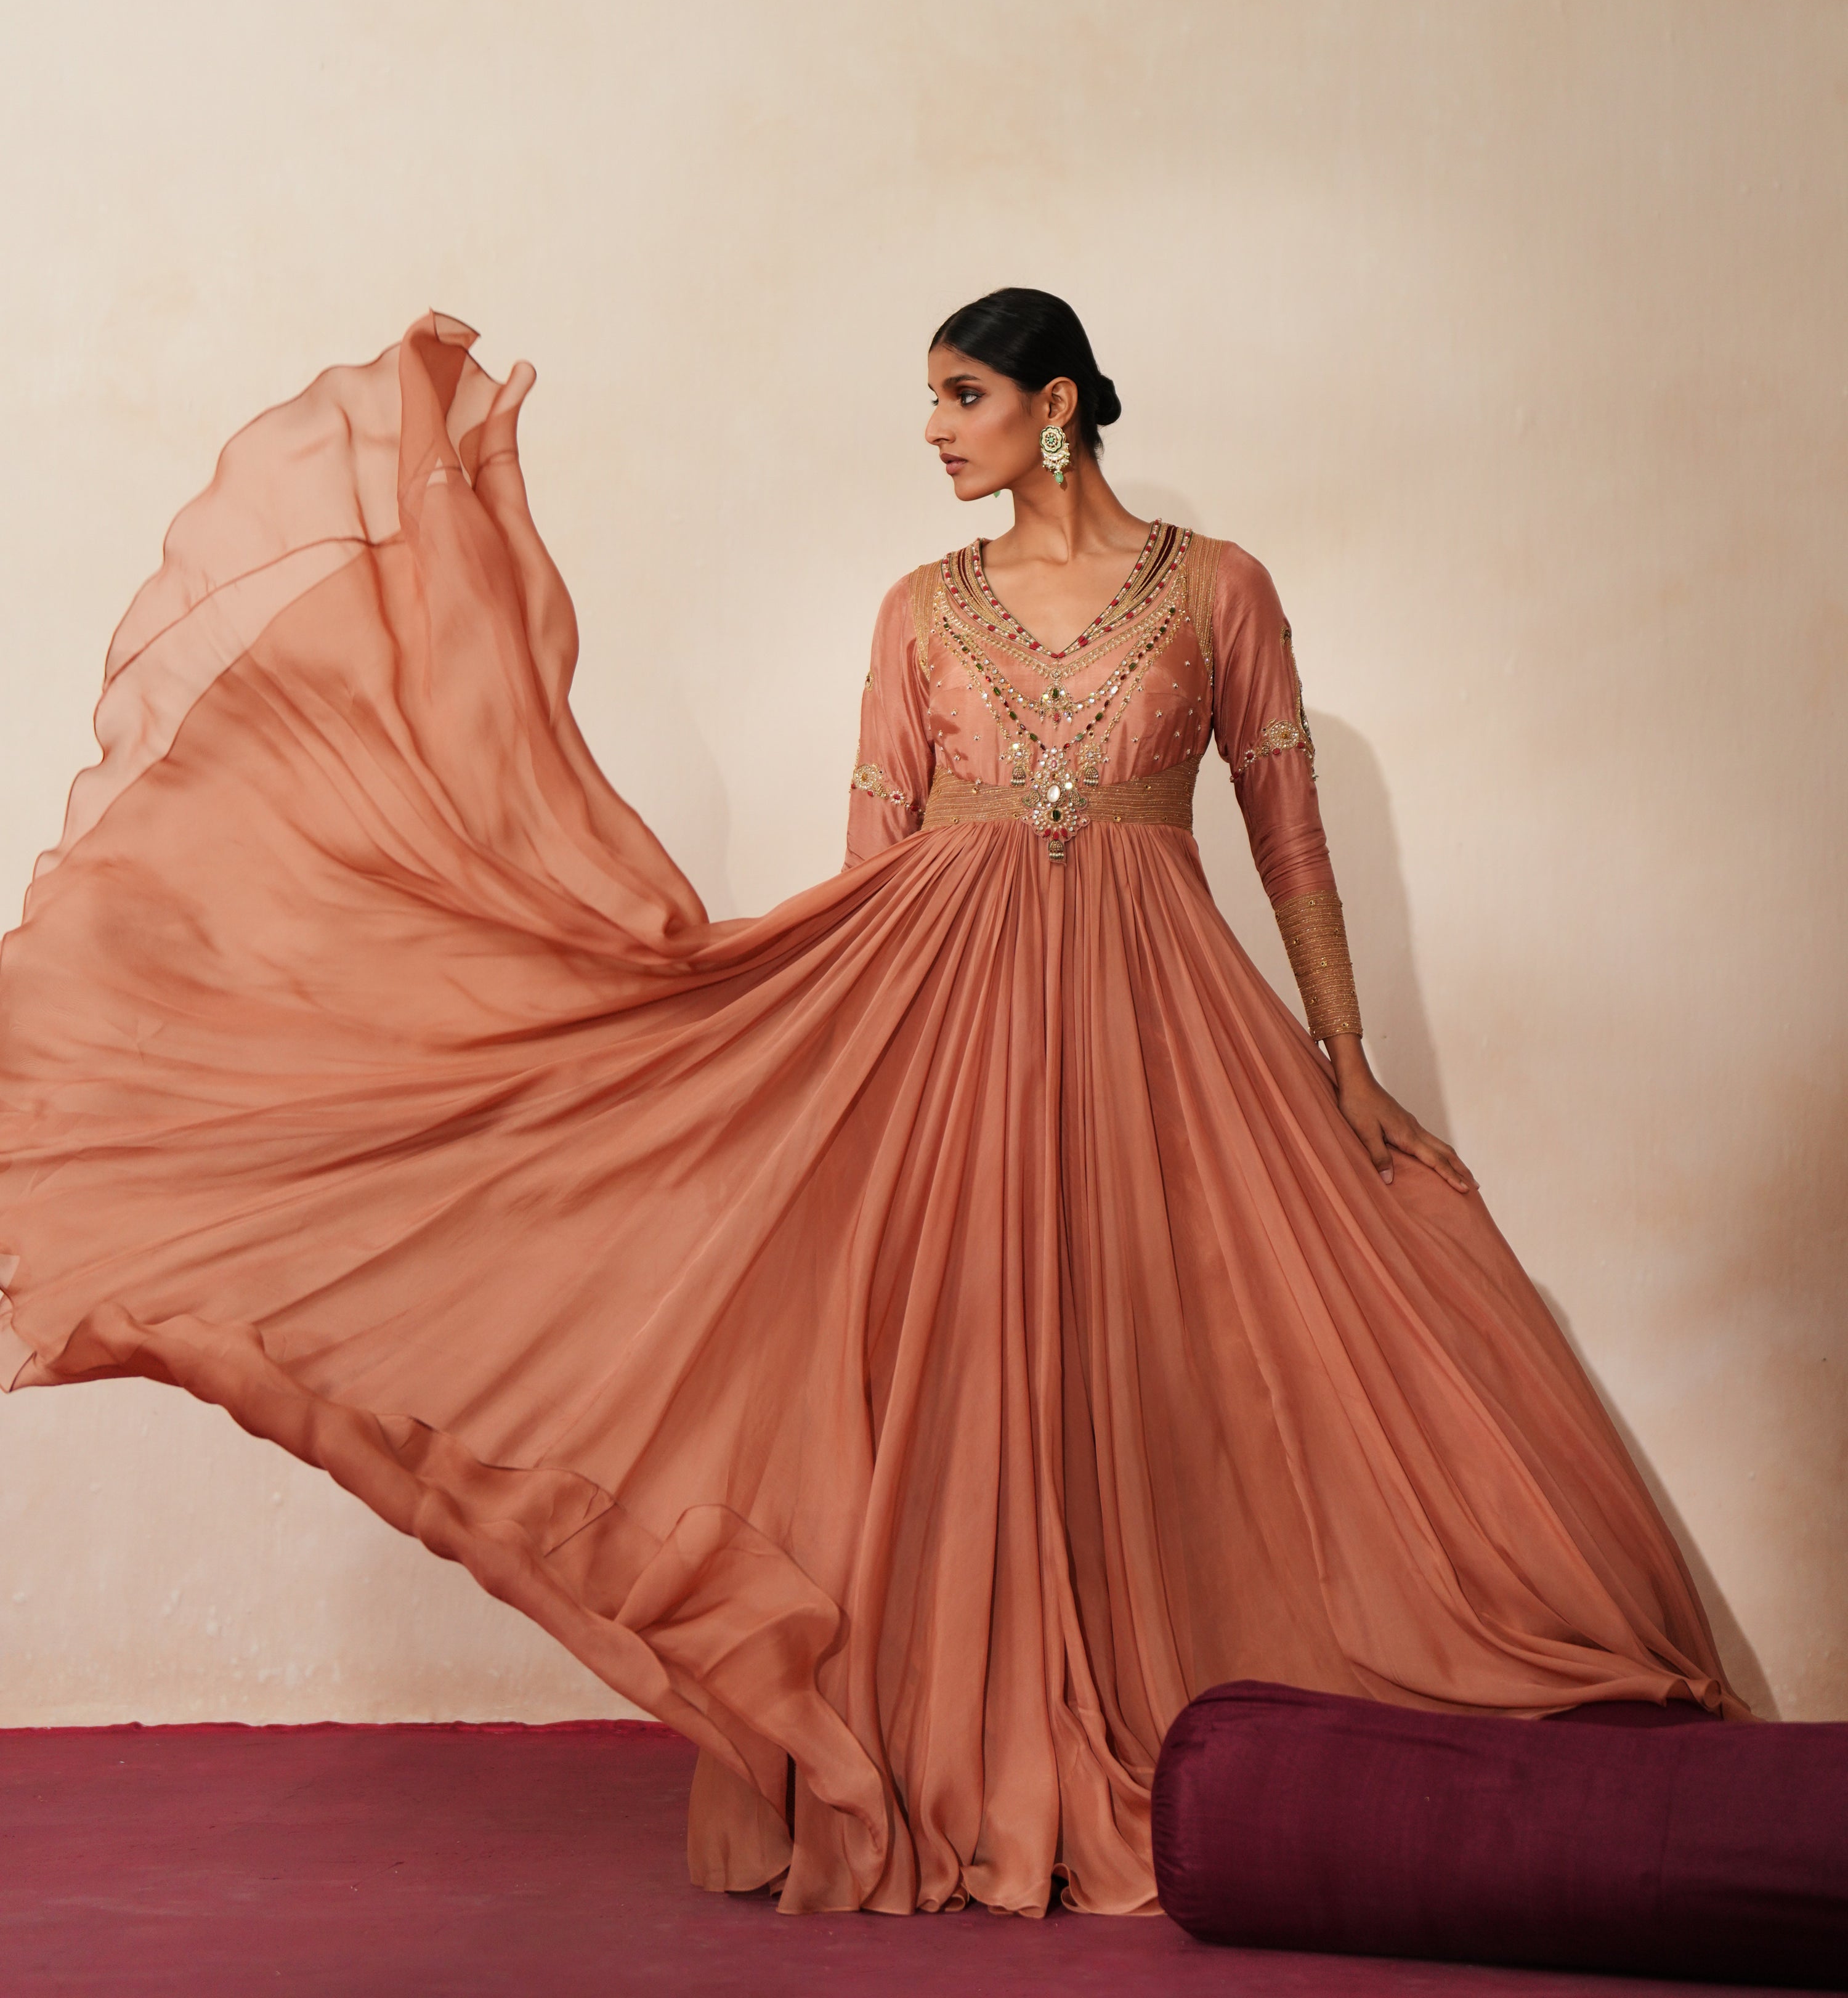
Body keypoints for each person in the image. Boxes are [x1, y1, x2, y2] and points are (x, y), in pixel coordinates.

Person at [0, 294, 1738, 1921]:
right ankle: (936, 1743)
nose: (936, 430)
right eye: (931, 400)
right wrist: (831, 1067)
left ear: (1059, 410)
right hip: (948, 1014)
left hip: (1165, 1016)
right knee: (962, 1359)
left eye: (964, 398)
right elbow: (876, 860)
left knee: (1179, 1345)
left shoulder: (1224, 592)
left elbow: (1290, 842)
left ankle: (1189, 1696)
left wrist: (1349, 1064)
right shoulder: (918, 609)